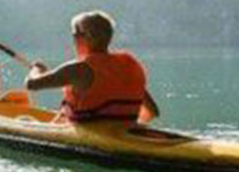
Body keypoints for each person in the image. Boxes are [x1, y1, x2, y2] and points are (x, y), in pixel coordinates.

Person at [25, 11, 160, 126]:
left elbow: (31, 84)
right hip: (123, 135)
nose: (74, 40)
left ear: (87, 37)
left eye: (75, 35)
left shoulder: (78, 70)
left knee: (25, 120)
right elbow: (152, 112)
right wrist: (124, 130)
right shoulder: (128, 67)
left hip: (90, 136)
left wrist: (37, 70)